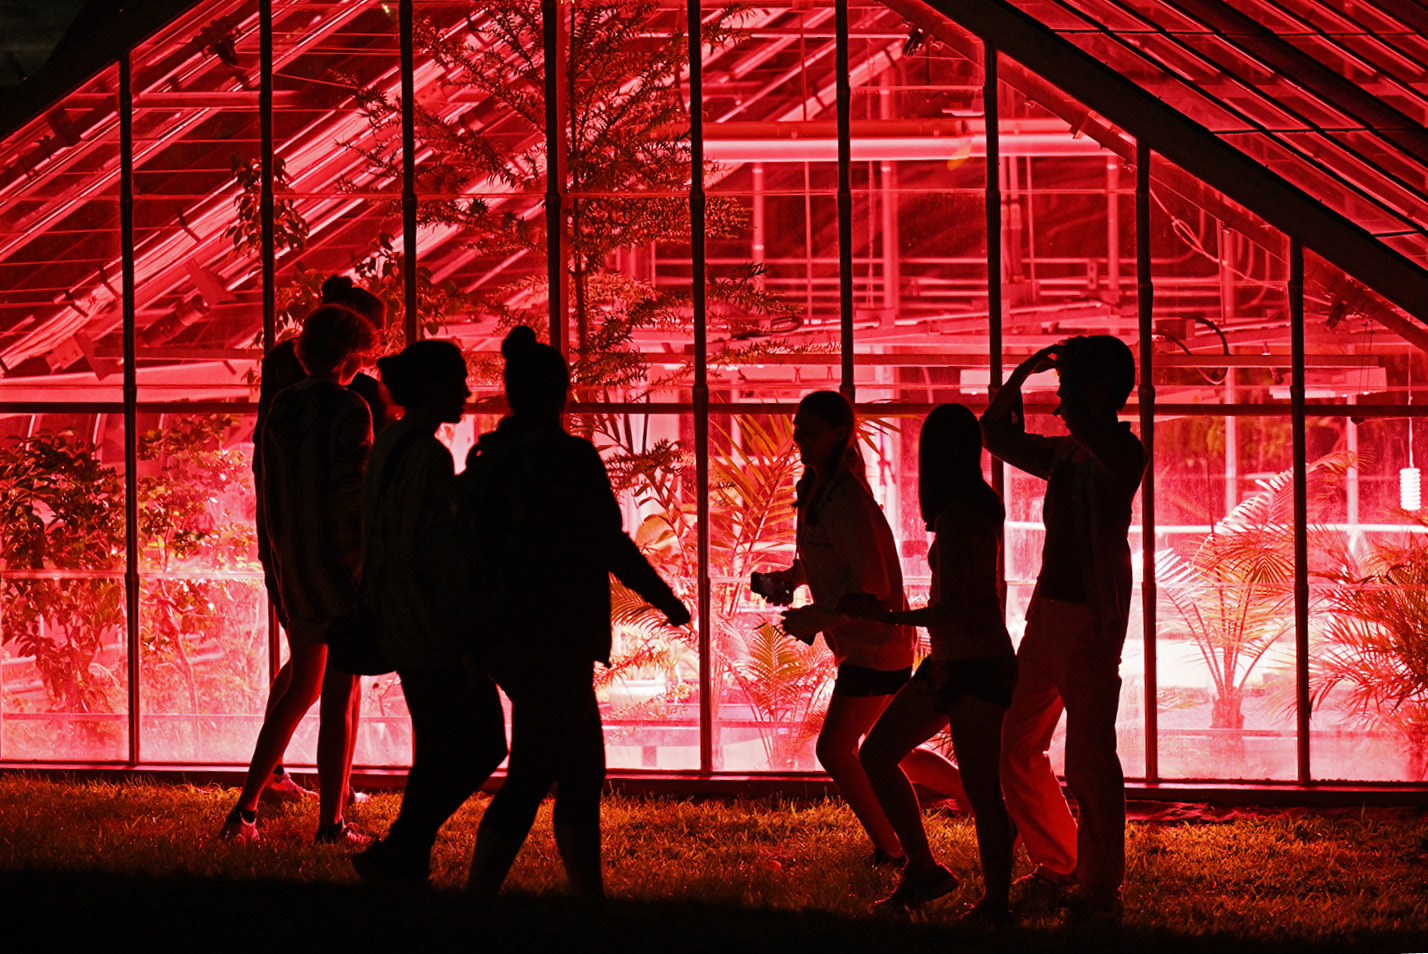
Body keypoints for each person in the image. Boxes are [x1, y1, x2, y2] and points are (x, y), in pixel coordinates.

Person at [463, 325, 690, 899]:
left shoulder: (490, 458)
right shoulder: (569, 458)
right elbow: (608, 542)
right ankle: (567, 894)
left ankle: (548, 893)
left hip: (510, 634)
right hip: (559, 633)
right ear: (561, 393)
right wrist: (664, 599)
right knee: (560, 770)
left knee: (549, 765)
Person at [980, 335, 1146, 923]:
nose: (1060, 403)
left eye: (1069, 388)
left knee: (1089, 761)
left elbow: (1003, 435)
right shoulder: (1075, 453)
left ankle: (1097, 886)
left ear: (1099, 391)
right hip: (1054, 614)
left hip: (1088, 622)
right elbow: (995, 435)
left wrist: (1038, 372)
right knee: (1020, 748)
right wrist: (1028, 370)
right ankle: (1068, 864)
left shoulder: (1121, 454)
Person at [842, 404, 1017, 919]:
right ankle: (928, 871)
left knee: (979, 789)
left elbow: (961, 608)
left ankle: (994, 902)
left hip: (973, 666)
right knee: (878, 754)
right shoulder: (969, 510)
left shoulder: (962, 516)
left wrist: (892, 618)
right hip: (959, 662)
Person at [220, 304, 378, 846]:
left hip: (296, 564)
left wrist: (280, 556)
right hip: (343, 567)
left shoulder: (281, 408)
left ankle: (245, 808)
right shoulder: (351, 409)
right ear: (352, 357)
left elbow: (269, 487)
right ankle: (332, 822)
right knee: (342, 695)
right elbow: (353, 493)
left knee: (299, 689)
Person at [352, 341, 508, 885]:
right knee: (483, 741)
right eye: (457, 381)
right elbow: (438, 551)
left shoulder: (394, 443)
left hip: (400, 619)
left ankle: (405, 854)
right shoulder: (429, 456)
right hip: (430, 625)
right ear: (432, 388)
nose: (466, 391)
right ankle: (403, 846)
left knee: (443, 743)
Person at [760, 390, 917, 867]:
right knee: (886, 748)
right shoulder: (820, 489)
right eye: (796, 429)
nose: (797, 439)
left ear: (836, 434)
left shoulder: (845, 497)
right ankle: (978, 793)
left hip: (875, 645)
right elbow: (835, 561)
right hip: (868, 645)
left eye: (807, 431)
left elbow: (871, 587)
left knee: (837, 750)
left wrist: (815, 617)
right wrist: (794, 577)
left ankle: (893, 848)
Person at [253, 275, 389, 802]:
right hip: (340, 554)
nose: (377, 351)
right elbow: (354, 487)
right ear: (350, 344)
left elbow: (271, 467)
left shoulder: (284, 384)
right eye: (373, 339)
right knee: (338, 682)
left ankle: (267, 783)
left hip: (290, 539)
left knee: (305, 668)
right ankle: (332, 801)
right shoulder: (351, 402)